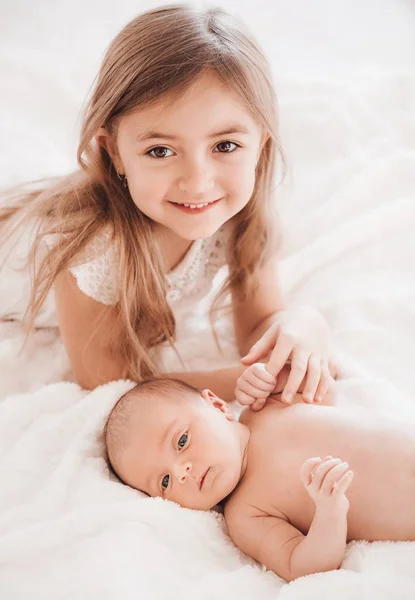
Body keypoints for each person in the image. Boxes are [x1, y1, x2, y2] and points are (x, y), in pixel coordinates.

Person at [0, 4, 335, 401]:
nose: (198, 182)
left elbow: (258, 324)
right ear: (116, 154)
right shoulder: (87, 248)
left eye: (225, 146)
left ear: (260, 144)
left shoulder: (238, 210)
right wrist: (241, 383)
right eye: (160, 151)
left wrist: (302, 326)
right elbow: (109, 383)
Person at [104, 372, 415, 582]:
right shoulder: (245, 515)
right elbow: (303, 566)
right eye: (165, 482)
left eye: (182, 441)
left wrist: (267, 375)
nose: (181, 471)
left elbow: (325, 387)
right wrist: (330, 514)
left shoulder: (264, 407)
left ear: (216, 405)